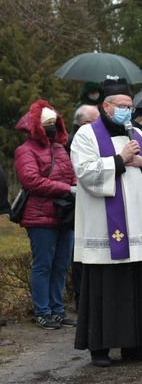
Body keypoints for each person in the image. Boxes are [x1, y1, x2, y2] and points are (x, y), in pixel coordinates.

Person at [71, 77, 142, 367]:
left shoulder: (138, 134)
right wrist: (118, 159)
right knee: (104, 287)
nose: (128, 111)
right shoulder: (87, 135)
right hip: (104, 227)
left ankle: (135, 344)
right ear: (106, 106)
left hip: (136, 225)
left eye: (130, 105)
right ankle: (99, 348)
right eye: (122, 106)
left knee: (135, 284)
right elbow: (85, 172)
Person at [14, 100, 77, 330]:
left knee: (61, 264)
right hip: (39, 217)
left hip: (64, 215)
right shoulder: (24, 151)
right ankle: (43, 311)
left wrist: (73, 186)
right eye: (47, 123)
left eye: (54, 122)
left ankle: (57, 309)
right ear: (36, 126)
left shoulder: (60, 149)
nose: (51, 127)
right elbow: (31, 181)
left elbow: (71, 174)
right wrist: (66, 189)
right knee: (43, 265)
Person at [65, 104, 100, 309]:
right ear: (82, 123)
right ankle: (81, 297)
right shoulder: (75, 140)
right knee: (79, 252)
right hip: (75, 201)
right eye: (93, 121)